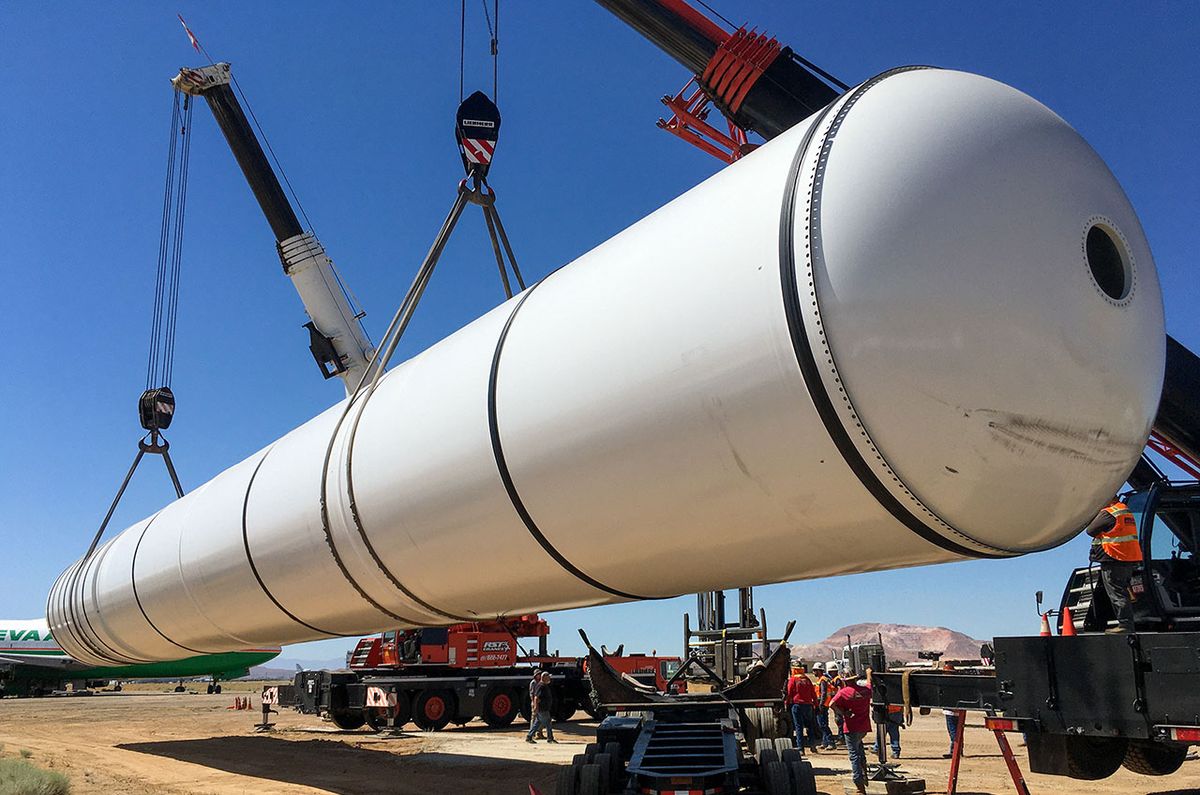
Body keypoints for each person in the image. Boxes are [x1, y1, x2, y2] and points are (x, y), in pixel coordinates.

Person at [1084, 496, 1143, 633]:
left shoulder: (1109, 512)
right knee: (1123, 591)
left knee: (1117, 592)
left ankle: (1125, 626)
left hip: (1113, 557)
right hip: (1127, 558)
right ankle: (1127, 623)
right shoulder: (1124, 511)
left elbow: (1090, 530)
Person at [829, 668, 873, 795]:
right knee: (860, 751)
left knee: (854, 756)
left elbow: (831, 704)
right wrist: (869, 673)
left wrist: (843, 713)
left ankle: (859, 786)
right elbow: (870, 684)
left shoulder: (843, 693)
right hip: (863, 727)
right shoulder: (865, 691)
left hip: (851, 728)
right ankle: (864, 776)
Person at [785, 663, 819, 754]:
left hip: (797, 705)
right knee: (809, 726)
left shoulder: (793, 680)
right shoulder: (807, 680)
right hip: (808, 706)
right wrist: (816, 705)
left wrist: (786, 703)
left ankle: (801, 748)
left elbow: (789, 693)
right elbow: (813, 693)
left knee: (798, 727)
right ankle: (813, 746)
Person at [526, 671, 558, 744]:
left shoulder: (543, 685)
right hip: (542, 709)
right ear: (544, 677)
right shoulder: (541, 686)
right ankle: (550, 738)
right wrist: (535, 707)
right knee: (548, 723)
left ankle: (529, 736)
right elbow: (536, 698)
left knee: (537, 723)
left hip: (543, 708)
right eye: (548, 677)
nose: (549, 678)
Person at [815, 663, 837, 750]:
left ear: (819, 671)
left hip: (823, 705)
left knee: (823, 724)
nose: (813, 672)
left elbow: (823, 693)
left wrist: (820, 704)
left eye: (815, 670)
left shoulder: (823, 680)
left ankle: (831, 742)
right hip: (824, 704)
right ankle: (825, 742)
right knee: (823, 724)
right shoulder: (821, 679)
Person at [528, 669, 546, 739]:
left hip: (541, 702)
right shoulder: (533, 683)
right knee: (534, 718)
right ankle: (532, 733)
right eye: (538, 674)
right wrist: (534, 703)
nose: (539, 675)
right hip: (535, 702)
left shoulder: (541, 682)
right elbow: (531, 694)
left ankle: (539, 732)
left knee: (541, 719)